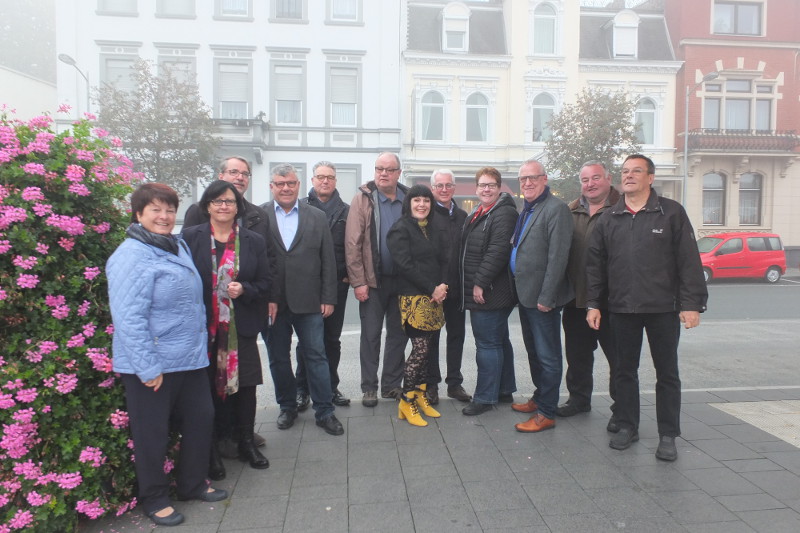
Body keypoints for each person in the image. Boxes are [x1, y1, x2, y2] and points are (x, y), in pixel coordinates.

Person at [107, 183, 227, 527]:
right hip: (153, 363)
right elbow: (129, 317)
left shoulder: (177, 246)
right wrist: (146, 366)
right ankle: (154, 498)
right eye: (156, 210)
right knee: (152, 433)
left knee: (201, 419)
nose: (164, 216)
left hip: (189, 358)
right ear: (139, 213)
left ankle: (191, 484)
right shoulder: (130, 256)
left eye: (169, 209)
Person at [586, 154, 708, 461]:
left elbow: (689, 261)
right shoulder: (609, 217)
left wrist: (691, 304)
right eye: (625, 171)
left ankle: (668, 434)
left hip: (662, 309)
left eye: (636, 171)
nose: (628, 176)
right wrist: (593, 305)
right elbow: (595, 268)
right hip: (622, 309)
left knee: (667, 373)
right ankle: (628, 425)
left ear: (650, 177)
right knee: (624, 371)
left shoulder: (671, 213)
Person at [183, 156, 277, 452]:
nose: (224, 206)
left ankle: (246, 441)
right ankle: (213, 448)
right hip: (205, 327)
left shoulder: (252, 241)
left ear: (238, 207)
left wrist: (245, 288)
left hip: (242, 324)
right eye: (218, 201)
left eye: (230, 202)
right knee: (209, 387)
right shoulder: (189, 239)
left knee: (246, 386)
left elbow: (265, 281)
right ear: (207, 206)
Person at [263, 164, 344, 436]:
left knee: (316, 356)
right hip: (273, 303)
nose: (286, 188)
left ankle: (325, 411)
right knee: (278, 358)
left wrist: (329, 297)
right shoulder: (259, 216)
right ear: (272, 186)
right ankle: (287, 406)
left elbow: (328, 261)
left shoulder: (316, 216)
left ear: (298, 185)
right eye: (280, 183)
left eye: (291, 183)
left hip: (310, 301)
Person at [509, 159, 574, 433]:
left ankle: (547, 412)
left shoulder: (556, 209)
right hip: (526, 295)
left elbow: (557, 257)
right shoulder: (528, 208)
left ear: (545, 179)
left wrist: (547, 297)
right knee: (534, 352)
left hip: (542, 300)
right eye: (523, 179)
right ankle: (539, 398)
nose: (527, 183)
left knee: (548, 357)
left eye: (533, 178)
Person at [558, 161, 620, 431]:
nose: (590, 184)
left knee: (619, 360)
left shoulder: (622, 209)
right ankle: (579, 399)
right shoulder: (570, 211)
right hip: (575, 300)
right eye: (585, 180)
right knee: (577, 355)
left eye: (596, 178)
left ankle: (622, 409)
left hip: (612, 303)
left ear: (608, 178)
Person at [345, 152, 410, 406]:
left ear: (398, 173)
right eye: (379, 168)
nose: (383, 173)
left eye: (389, 169)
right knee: (370, 336)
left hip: (403, 283)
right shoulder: (363, 200)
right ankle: (369, 388)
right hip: (373, 281)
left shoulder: (408, 199)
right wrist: (358, 281)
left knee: (398, 335)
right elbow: (353, 243)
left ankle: (392, 385)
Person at [386, 185, 449, 426]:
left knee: (427, 350)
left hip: (434, 297)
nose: (421, 204)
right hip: (414, 298)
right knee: (420, 350)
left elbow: (443, 259)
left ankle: (420, 396)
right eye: (416, 200)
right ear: (408, 203)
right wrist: (431, 288)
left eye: (426, 200)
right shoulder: (400, 229)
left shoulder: (431, 229)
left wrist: (442, 286)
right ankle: (406, 400)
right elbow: (405, 265)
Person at [459, 167, 518, 416]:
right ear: (476, 188)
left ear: (499, 187)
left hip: (490, 291)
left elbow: (497, 251)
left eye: (491, 185)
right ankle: (504, 390)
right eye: (482, 185)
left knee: (487, 345)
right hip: (485, 288)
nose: (486, 189)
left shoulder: (503, 213)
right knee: (498, 341)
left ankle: (485, 397)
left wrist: (480, 282)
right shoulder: (479, 211)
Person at [295, 161, 351, 410]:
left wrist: (350, 273)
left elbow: (353, 246)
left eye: (329, 177)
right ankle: (302, 389)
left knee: (332, 340)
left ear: (335, 181)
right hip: (306, 285)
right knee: (306, 341)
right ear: (312, 180)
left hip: (336, 284)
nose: (325, 181)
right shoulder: (300, 208)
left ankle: (330, 386)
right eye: (320, 177)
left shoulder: (347, 211)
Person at [427, 169, 470, 404]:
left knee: (457, 336)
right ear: (433, 188)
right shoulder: (426, 215)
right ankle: (432, 385)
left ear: (454, 188)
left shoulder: (464, 216)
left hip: (457, 289)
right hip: (434, 291)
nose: (444, 190)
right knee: (431, 339)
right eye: (439, 185)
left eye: (448, 185)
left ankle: (454, 383)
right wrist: (434, 285)